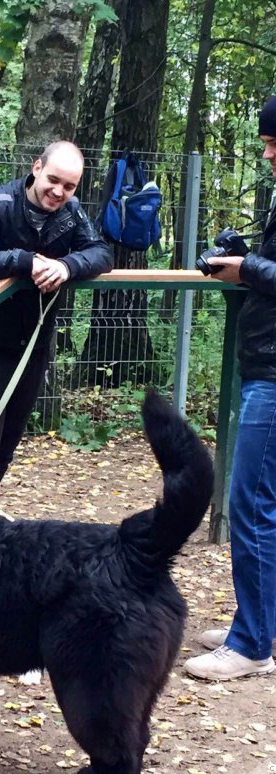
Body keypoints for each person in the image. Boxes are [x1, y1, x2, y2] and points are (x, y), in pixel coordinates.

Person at [0, 141, 113, 506]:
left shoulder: (71, 212)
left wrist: (67, 266)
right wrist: (27, 261)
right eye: (53, 180)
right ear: (37, 168)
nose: (59, 192)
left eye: (69, 186)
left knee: (8, 441)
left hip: (34, 342)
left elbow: (101, 252)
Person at [184, 94, 276, 681]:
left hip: (274, 375)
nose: (267, 154)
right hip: (264, 365)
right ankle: (260, 621)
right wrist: (247, 257)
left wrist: (248, 271)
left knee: (248, 503)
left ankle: (250, 645)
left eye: (274, 144)